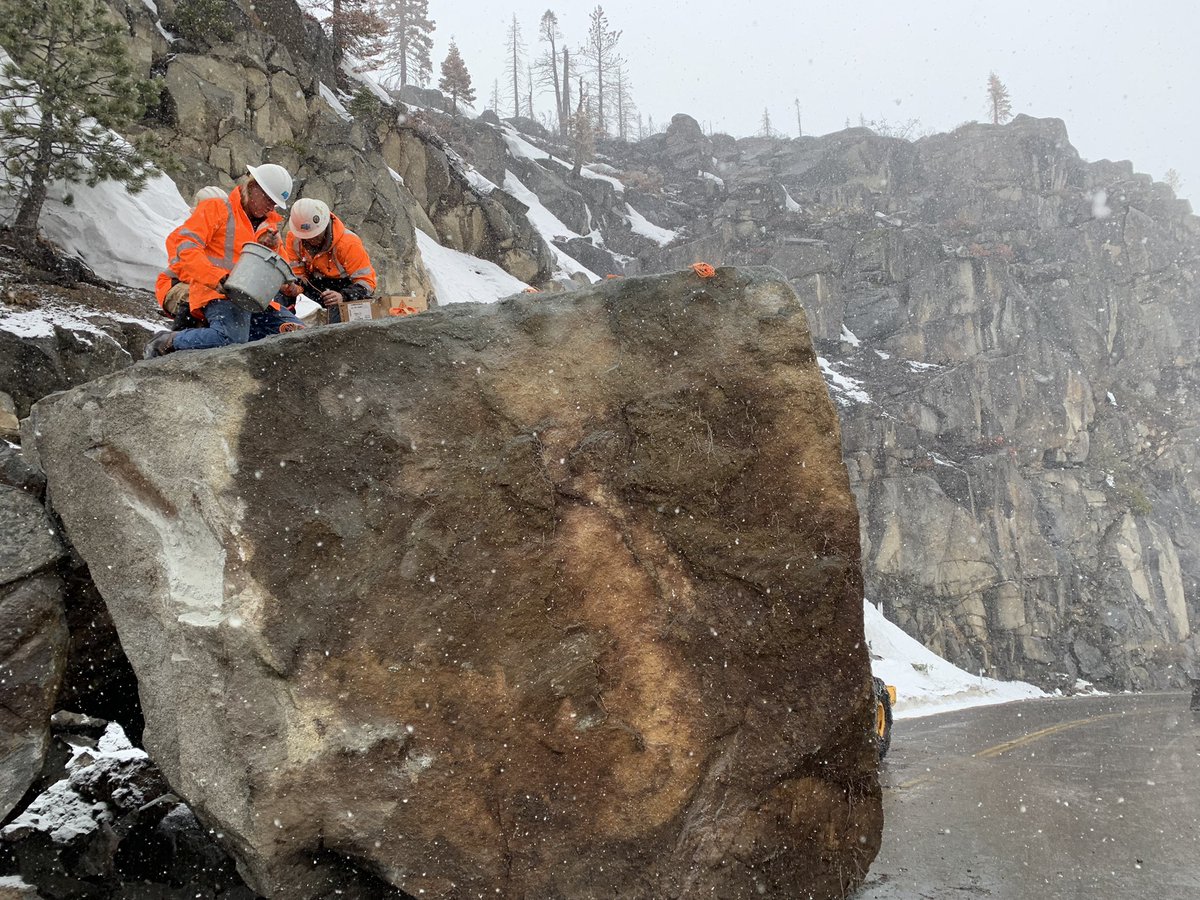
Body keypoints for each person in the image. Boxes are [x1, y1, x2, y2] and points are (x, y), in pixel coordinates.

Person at [144, 164, 304, 358]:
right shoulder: (217, 208)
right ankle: (170, 341)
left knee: (297, 333)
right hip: (216, 294)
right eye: (268, 199)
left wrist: (274, 256)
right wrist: (216, 278)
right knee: (231, 339)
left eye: (275, 203)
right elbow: (185, 247)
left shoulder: (269, 227)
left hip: (254, 301)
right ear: (252, 187)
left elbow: (282, 270)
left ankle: (232, 345)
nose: (271, 206)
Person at [278, 198, 376, 323]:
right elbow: (299, 276)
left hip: (346, 290)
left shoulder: (348, 243)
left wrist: (343, 296)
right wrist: (295, 289)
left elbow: (367, 283)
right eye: (306, 237)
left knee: (335, 316)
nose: (310, 240)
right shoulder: (295, 238)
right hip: (314, 289)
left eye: (315, 236)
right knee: (278, 298)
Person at [154, 186, 228, 329]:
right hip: (174, 286)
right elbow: (186, 270)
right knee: (195, 297)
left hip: (208, 285)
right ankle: (175, 342)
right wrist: (215, 279)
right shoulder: (179, 236)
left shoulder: (226, 238)